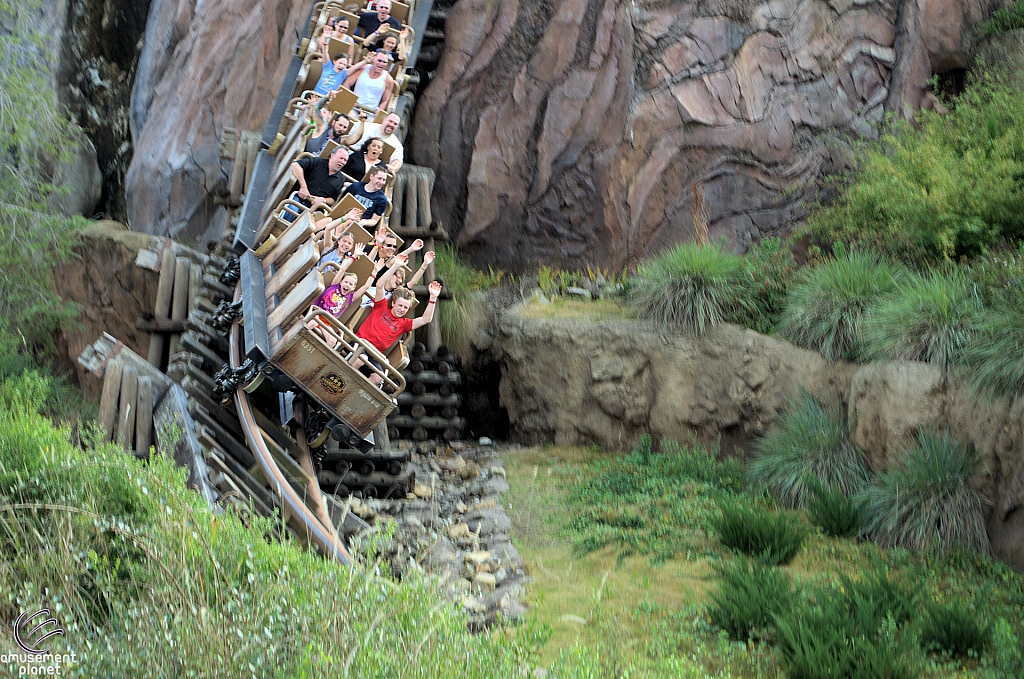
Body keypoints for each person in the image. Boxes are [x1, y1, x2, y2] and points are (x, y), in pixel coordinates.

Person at [351, 257, 443, 386]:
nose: (402, 309)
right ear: (393, 303)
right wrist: (395, 266)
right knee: (360, 360)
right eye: (400, 305)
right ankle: (338, 385)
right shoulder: (381, 306)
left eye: (405, 307)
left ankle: (353, 395)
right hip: (360, 344)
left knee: (379, 378)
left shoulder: (403, 324)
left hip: (374, 354)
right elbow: (379, 285)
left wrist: (433, 297)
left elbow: (425, 319)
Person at [289, 145, 349, 212]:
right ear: (332, 156)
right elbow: (295, 165)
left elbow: (333, 200)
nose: (343, 162)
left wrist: (323, 200)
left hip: (315, 209)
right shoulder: (317, 162)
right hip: (298, 198)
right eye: (341, 158)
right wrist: (303, 187)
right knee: (292, 209)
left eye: (345, 160)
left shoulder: (341, 179)